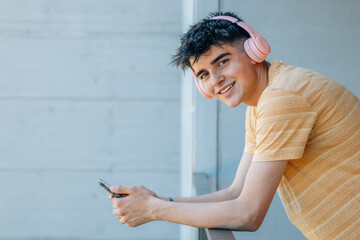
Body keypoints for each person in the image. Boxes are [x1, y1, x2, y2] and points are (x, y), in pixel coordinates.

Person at [108, 11, 360, 239]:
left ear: (254, 51)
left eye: (222, 62)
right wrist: (158, 200)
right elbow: (235, 192)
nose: (216, 80)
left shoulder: (283, 97)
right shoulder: (261, 103)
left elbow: (247, 214)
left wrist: (153, 210)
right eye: (204, 74)